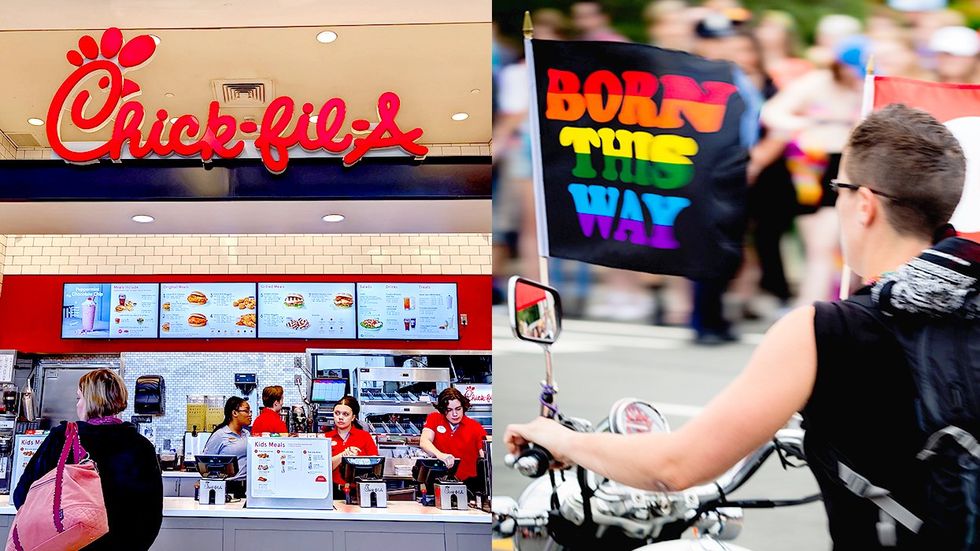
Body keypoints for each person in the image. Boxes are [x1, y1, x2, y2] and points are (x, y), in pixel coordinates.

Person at [506, 104, 974, 549]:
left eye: (838, 188)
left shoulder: (824, 330)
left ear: (865, 205)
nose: (837, 202)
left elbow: (676, 466)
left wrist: (561, 438)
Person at [14, 369, 162, 551]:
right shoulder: (141, 446)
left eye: (79, 398)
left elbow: (23, 495)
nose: (77, 405)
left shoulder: (62, 438)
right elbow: (151, 515)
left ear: (90, 401)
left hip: (68, 545)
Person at [421, 387, 488, 495]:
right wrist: (441, 455)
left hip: (469, 486)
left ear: (463, 407)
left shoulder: (475, 427)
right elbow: (424, 441)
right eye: (449, 410)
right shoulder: (434, 419)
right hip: (437, 482)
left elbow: (485, 455)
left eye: (458, 409)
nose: (455, 414)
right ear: (443, 410)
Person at [324, 396, 378, 489]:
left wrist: (356, 460)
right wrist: (343, 455)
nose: (340, 417)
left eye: (345, 414)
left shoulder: (365, 437)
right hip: (332, 491)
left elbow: (375, 467)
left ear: (353, 417)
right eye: (337, 413)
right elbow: (322, 469)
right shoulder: (326, 438)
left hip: (358, 491)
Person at [201, 396, 251, 496]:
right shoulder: (220, 435)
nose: (250, 414)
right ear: (234, 413)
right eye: (246, 411)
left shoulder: (247, 434)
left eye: (250, 411)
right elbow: (204, 463)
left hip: (246, 486)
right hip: (227, 487)